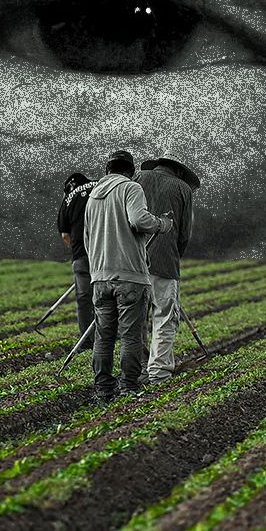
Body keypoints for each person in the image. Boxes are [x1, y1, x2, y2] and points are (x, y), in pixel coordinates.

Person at [81, 150, 176, 401]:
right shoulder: (131, 188)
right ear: (131, 171)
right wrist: (162, 224)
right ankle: (130, 386)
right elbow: (139, 220)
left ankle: (103, 389)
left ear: (107, 170)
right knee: (131, 335)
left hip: (100, 277)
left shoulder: (92, 197)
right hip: (130, 276)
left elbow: (87, 239)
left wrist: (97, 271)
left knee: (104, 336)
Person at [138, 157, 199, 383]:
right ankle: (159, 372)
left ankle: (137, 369)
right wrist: (174, 255)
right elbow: (184, 234)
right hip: (165, 263)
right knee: (164, 317)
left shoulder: (137, 179)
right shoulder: (183, 189)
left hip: (132, 262)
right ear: (179, 171)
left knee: (135, 319)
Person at [56, 172, 93, 339]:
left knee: (84, 299)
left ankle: (86, 339)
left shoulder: (68, 198)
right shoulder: (101, 186)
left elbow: (65, 235)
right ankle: (113, 336)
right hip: (108, 253)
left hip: (82, 255)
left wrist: (77, 250)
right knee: (110, 297)